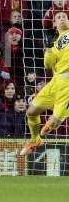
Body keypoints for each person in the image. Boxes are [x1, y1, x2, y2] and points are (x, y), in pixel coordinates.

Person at [20, 10, 69, 155]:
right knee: (31, 112)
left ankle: (36, 141)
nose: (61, 19)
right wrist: (48, 48)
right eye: (58, 18)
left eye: (64, 17)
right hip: (56, 82)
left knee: (52, 124)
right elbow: (48, 65)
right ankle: (36, 139)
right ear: (54, 24)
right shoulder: (55, 44)